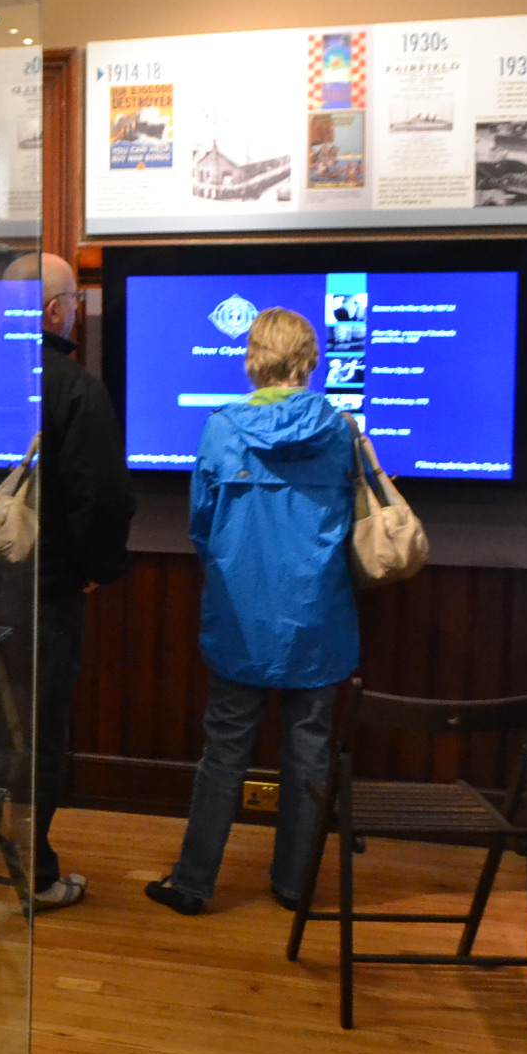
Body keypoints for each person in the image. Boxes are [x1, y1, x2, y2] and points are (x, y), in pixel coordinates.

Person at [146, 307, 357, 916]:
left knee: (224, 751)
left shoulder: (221, 429)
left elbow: (202, 527)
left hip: (242, 614)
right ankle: (295, 885)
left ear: (254, 357)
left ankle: (193, 883)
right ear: (309, 357)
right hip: (318, 615)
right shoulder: (340, 428)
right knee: (310, 752)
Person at [6, 251, 136, 911]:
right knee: (40, 734)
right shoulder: (77, 389)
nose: (78, 311)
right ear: (57, 311)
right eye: (77, 300)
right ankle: (34, 872)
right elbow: (103, 501)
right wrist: (95, 571)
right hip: (46, 595)